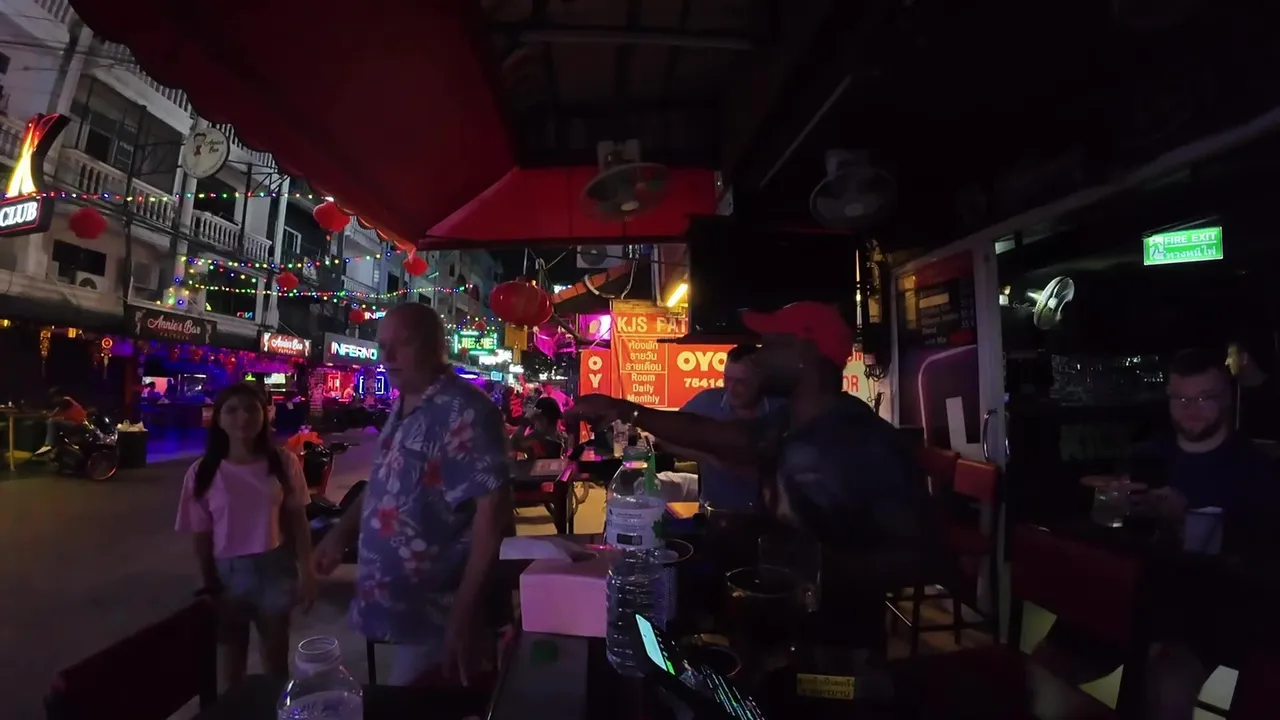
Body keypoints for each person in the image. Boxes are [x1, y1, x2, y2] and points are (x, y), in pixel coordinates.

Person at [569, 301, 931, 652]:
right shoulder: (789, 422)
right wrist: (623, 409)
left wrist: (810, 564)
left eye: (770, 345)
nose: (758, 357)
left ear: (803, 354)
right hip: (783, 620)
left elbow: (918, 557)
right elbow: (713, 433)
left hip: (837, 644)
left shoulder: (865, 441)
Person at [1032, 348, 1280, 720]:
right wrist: (1115, 507)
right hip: (1130, 591)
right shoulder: (1146, 455)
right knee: (1040, 671)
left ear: (1227, 397)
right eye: (1181, 399)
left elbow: (1260, 554)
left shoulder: (1254, 468)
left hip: (1204, 607)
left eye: (1204, 398)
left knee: (1168, 683)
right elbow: (1108, 531)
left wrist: (1185, 519)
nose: (1190, 409)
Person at [313, 303, 510, 686]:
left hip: (441, 611)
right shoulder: (404, 401)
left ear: (437, 346)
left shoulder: (467, 411)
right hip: (401, 608)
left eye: (401, 344)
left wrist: (464, 611)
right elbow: (385, 482)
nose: (387, 356)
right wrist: (340, 534)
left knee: (425, 703)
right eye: (381, 345)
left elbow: (494, 515)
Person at [174, 383, 317, 683]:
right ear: (218, 417)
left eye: (252, 409)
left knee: (276, 665)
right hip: (227, 576)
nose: (242, 418)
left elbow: (298, 521)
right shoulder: (202, 472)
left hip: (275, 569)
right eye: (232, 410)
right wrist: (207, 583)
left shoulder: (284, 462)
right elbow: (202, 536)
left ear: (266, 414)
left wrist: (307, 572)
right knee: (231, 668)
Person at [667, 343, 779, 511]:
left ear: (760, 379)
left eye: (741, 381)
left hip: (767, 517)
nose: (731, 389)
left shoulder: (781, 407)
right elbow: (665, 438)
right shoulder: (707, 401)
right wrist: (708, 457)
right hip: (713, 513)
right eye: (728, 379)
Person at [1226, 339, 1278, 443]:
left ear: (1244, 358)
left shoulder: (1274, 393)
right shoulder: (1228, 391)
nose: (1227, 362)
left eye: (1231, 356)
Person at [34, 389, 88, 457]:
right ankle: (56, 452)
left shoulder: (65, 401)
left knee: (52, 422)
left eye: (54, 398)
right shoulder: (64, 403)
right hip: (76, 424)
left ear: (59, 396)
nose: (53, 400)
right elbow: (54, 415)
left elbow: (53, 415)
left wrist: (45, 416)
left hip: (78, 425)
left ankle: (49, 444)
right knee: (55, 426)